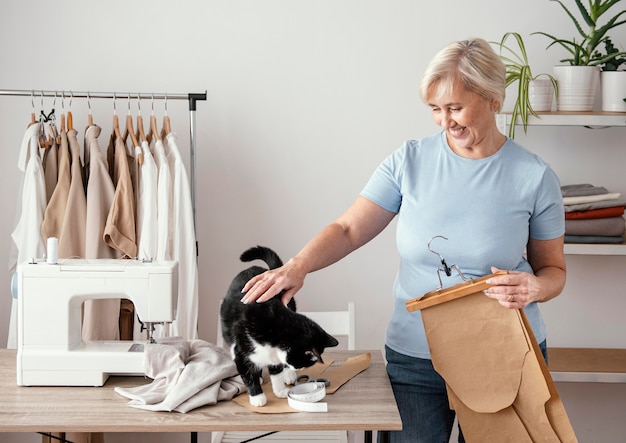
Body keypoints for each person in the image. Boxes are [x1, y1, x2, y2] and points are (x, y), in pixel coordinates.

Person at [240, 38, 566, 443]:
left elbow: (554, 269)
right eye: (435, 109)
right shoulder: (409, 161)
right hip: (416, 360)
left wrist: (536, 286)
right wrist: (297, 265)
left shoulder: (534, 176)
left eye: (456, 107)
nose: (445, 120)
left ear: (493, 98)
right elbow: (349, 229)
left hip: (506, 355)